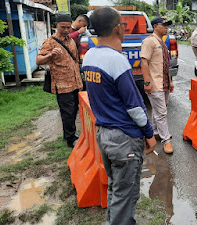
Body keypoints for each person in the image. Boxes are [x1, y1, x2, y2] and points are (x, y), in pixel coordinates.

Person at [82, 7, 156, 225]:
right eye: (123, 25)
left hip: (105, 136)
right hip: (124, 139)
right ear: (117, 29)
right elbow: (134, 106)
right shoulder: (117, 60)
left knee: (116, 189)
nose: (124, 28)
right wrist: (149, 134)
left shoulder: (90, 56)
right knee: (126, 196)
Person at [36, 14, 83, 148]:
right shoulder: (50, 42)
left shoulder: (71, 41)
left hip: (75, 82)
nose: (66, 30)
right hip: (62, 84)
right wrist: (50, 55)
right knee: (67, 112)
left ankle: (69, 134)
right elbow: (38, 60)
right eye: (63, 27)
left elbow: (75, 60)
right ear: (56, 25)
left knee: (74, 110)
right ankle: (70, 139)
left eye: (68, 27)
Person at [141, 16, 174, 154]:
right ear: (155, 26)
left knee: (158, 110)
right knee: (161, 113)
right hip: (155, 84)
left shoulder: (162, 41)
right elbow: (144, 62)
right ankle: (166, 141)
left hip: (164, 83)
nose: (166, 27)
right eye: (163, 25)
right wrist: (147, 82)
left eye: (167, 25)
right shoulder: (149, 41)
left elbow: (166, 64)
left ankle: (155, 131)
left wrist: (170, 81)